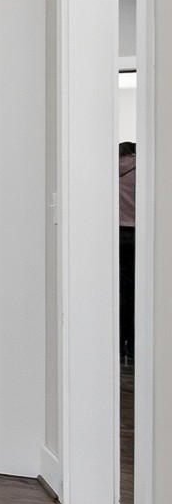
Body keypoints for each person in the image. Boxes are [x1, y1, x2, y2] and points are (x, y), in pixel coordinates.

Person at [121, 140, 137, 367]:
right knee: (137, 292)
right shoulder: (140, 171)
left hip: (114, 234)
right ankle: (133, 345)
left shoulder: (108, 170)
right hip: (136, 234)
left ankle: (118, 343)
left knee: (119, 292)